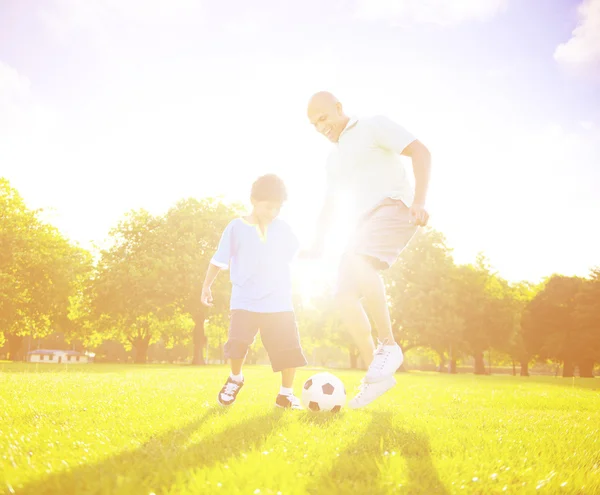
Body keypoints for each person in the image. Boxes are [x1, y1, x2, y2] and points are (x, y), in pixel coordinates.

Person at [303, 91, 431, 409]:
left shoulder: (374, 126)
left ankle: (389, 346)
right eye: (314, 124)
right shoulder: (334, 159)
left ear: (338, 108)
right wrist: (318, 241)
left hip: (394, 206)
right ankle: (377, 375)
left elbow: (420, 151)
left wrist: (420, 201)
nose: (321, 127)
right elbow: (331, 203)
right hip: (362, 224)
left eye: (323, 118)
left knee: (361, 262)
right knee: (343, 296)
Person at [201, 174, 307, 409]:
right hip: (244, 298)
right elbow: (219, 259)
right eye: (268, 206)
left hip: (278, 300)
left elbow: (296, 254)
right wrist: (206, 285)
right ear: (253, 201)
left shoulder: (283, 228)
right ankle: (235, 378)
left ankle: (285, 395)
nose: (273, 212)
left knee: (288, 348)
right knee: (237, 343)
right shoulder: (236, 227)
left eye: (278, 208)